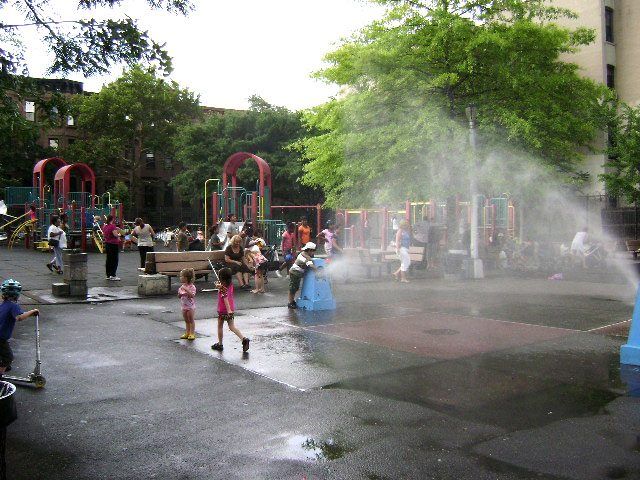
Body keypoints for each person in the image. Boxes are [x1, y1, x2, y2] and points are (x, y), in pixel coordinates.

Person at [0, 279, 39, 379]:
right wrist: (33, 311)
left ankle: (3, 366)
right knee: (8, 357)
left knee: (3, 354)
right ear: (17, 295)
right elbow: (19, 317)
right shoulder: (14, 306)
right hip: (1, 338)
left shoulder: (3, 305)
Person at [211, 267, 250, 353]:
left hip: (223, 310)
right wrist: (219, 285)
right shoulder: (230, 285)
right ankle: (243, 338)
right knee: (232, 327)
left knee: (220, 326)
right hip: (231, 309)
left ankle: (220, 344)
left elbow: (225, 299)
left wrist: (228, 310)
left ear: (221, 278)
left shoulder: (222, 289)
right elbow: (222, 287)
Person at [287, 242, 318, 309]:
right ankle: (290, 302)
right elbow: (311, 265)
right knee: (293, 288)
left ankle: (292, 301)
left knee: (295, 287)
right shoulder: (305, 257)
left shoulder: (303, 253)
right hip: (295, 273)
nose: (313, 253)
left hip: (296, 273)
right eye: (313, 251)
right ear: (309, 250)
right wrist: (318, 270)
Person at [102, 214, 124, 281]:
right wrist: (119, 234)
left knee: (108, 259)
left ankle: (108, 275)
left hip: (107, 243)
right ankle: (113, 275)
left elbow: (104, 235)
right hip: (113, 244)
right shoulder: (112, 226)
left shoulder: (104, 226)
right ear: (112, 219)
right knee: (114, 259)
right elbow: (115, 235)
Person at [178, 268, 197, 341]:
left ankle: (192, 333)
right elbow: (179, 296)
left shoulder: (192, 287)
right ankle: (187, 332)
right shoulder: (181, 287)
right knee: (186, 320)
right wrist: (179, 294)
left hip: (190, 307)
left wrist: (186, 289)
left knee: (191, 320)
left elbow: (192, 295)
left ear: (186, 278)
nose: (180, 278)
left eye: (181, 276)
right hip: (183, 306)